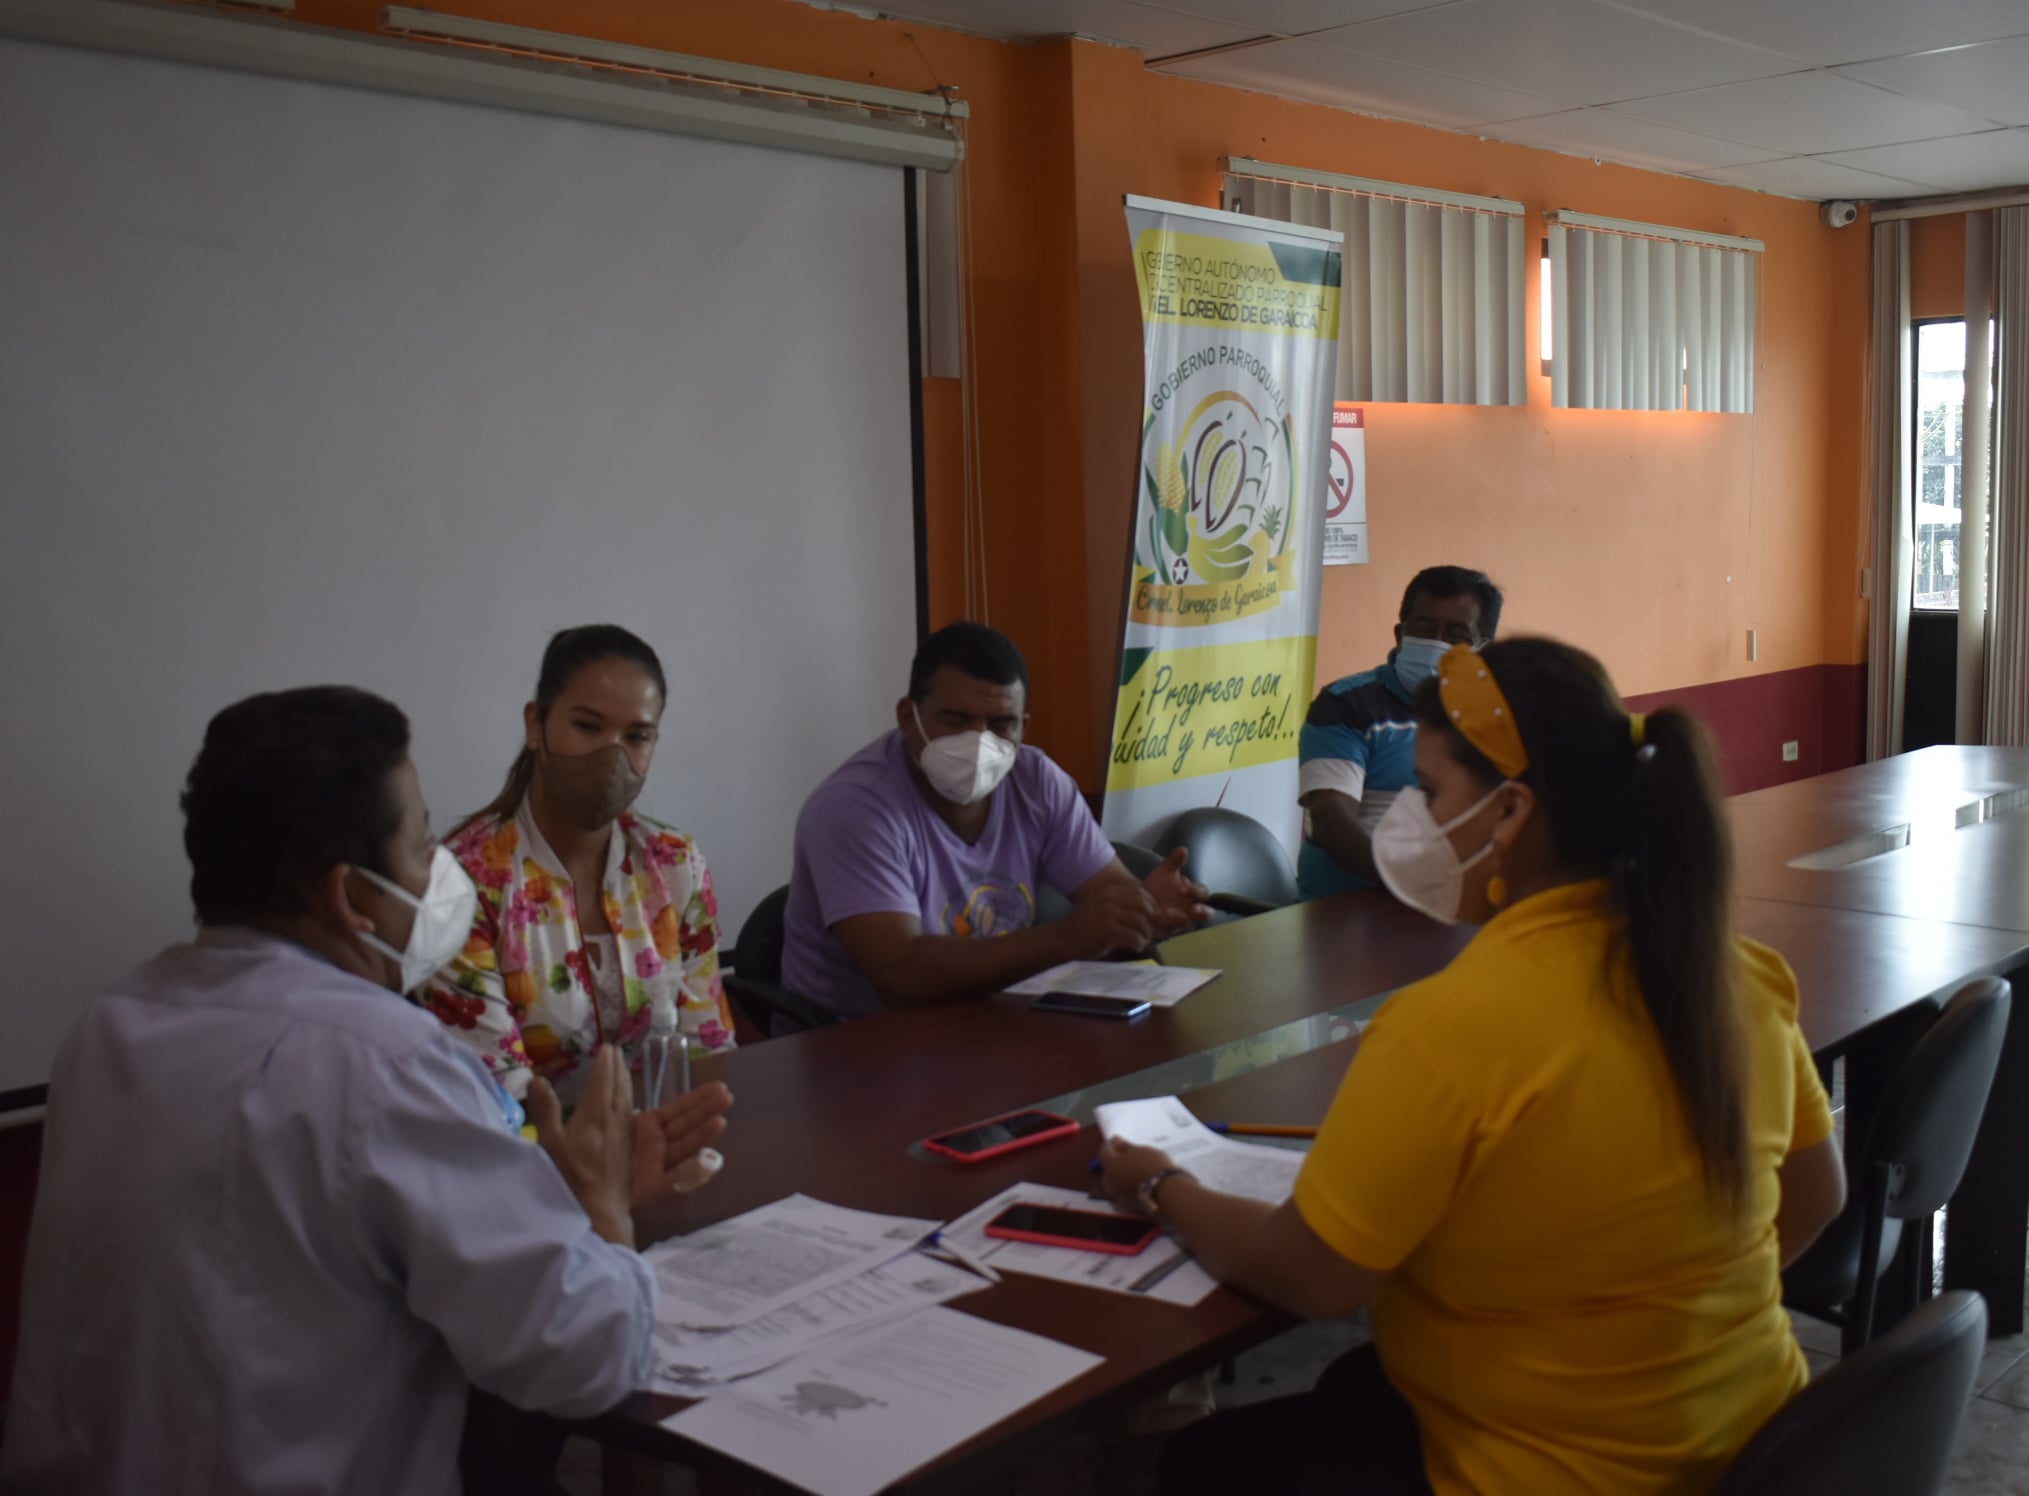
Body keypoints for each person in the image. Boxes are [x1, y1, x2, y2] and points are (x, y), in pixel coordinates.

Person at [1099, 638, 1849, 1495]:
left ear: (1510, 812)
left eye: (1427, 791)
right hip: (1754, 1445)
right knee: (1354, 1386)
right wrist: (1660, 1322)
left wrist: (1158, 1184)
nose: (1408, 816)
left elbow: (1311, 1276)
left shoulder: (1450, 1023)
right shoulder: (1739, 976)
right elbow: (1815, 1198)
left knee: (1206, 1463)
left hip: (1553, 1472)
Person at [0, 687, 733, 1496]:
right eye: (420, 845)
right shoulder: (388, 1061)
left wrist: (537, 1195)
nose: (441, 871)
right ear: (352, 897)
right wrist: (600, 1211)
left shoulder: (108, 1027)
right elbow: (585, 1360)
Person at [783, 621, 1211, 1017]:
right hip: (856, 1042)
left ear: (1024, 727)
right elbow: (902, 973)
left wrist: (1143, 912)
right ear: (907, 717)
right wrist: (1068, 937)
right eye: (956, 720)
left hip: (993, 1020)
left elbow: (1110, 896)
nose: (979, 741)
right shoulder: (853, 808)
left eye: (1002, 724)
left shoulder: (1037, 781)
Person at [424, 625, 737, 1102]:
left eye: (637, 736)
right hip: (528, 1142)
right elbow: (497, 1093)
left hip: (669, 1131)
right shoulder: (463, 881)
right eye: (588, 727)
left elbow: (708, 1049)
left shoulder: (675, 864)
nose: (613, 756)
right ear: (535, 725)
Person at [1297, 565, 1503, 900]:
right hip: (1348, 909)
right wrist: (1406, 882)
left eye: (1456, 635)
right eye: (1425, 628)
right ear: (1400, 633)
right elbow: (1331, 817)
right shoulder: (1347, 704)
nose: (1437, 643)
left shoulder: (1498, 718)